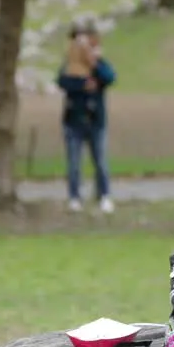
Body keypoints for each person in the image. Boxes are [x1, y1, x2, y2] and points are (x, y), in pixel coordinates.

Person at [57, 25, 116, 213]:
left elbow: (109, 77)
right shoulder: (69, 64)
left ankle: (104, 195)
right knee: (74, 163)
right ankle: (75, 197)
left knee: (100, 161)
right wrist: (83, 85)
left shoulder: (99, 64)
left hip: (95, 121)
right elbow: (63, 82)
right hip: (73, 121)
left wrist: (94, 64)